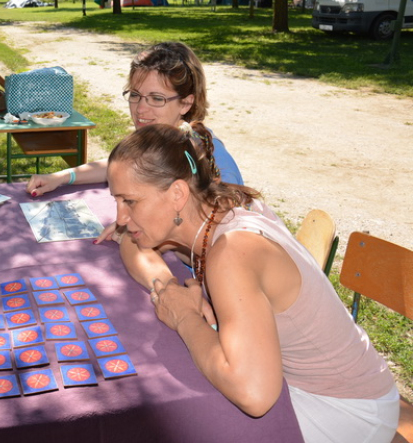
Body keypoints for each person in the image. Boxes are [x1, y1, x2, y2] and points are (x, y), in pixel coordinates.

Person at [107, 123, 400, 442]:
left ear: (177, 194)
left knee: (180, 424)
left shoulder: (233, 252)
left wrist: (184, 318)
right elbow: (130, 243)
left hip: (346, 409)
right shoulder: (214, 212)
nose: (120, 217)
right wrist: (168, 287)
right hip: (327, 386)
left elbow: (254, 395)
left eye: (130, 202)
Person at [25, 41, 243, 197]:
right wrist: (62, 177)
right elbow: (125, 164)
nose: (140, 109)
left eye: (156, 98)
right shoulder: (163, 138)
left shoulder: (210, 162)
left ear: (186, 103)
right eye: (135, 95)